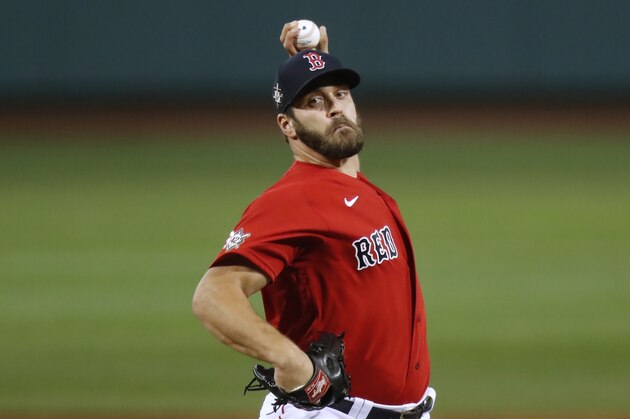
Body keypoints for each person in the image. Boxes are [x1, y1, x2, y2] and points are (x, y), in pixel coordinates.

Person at [192, 21, 435, 418]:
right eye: (316, 102)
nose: (336, 107)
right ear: (287, 125)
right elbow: (213, 295)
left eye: (341, 94)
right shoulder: (293, 200)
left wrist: (307, 65)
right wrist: (289, 359)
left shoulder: (352, 184)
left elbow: (341, 149)